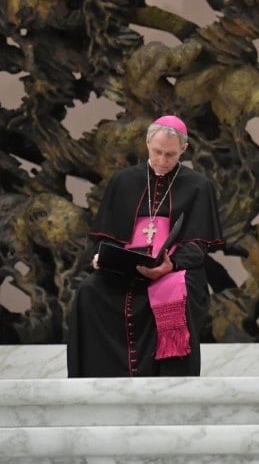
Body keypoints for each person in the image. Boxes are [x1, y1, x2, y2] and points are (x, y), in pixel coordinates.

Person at [67, 115, 223, 377]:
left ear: (183, 150)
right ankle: (97, 381)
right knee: (88, 291)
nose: (162, 161)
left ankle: (167, 386)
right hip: (126, 268)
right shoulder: (124, 181)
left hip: (173, 269)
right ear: (147, 143)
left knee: (179, 296)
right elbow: (107, 235)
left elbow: (198, 244)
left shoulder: (198, 186)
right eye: (157, 152)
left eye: (171, 155)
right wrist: (102, 258)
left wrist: (170, 265)